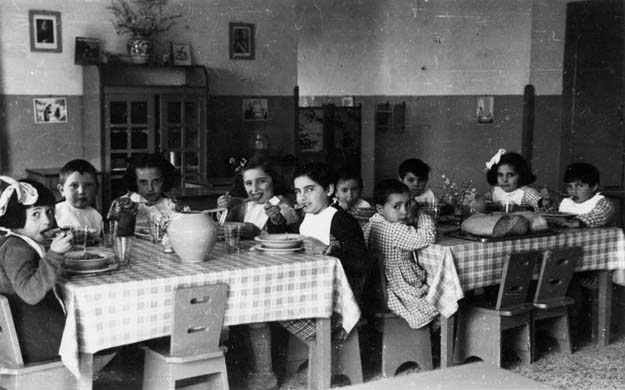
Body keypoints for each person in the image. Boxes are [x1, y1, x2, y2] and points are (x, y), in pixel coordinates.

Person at [0, 176, 73, 362]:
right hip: (38, 342)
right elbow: (30, 293)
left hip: (27, 335)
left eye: (50, 212)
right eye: (36, 214)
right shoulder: (17, 249)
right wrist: (55, 255)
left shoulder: (15, 242)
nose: (47, 221)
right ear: (16, 217)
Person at [363, 179, 439, 329]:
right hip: (398, 287)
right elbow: (427, 236)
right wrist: (423, 215)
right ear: (380, 208)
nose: (405, 211)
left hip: (377, 286)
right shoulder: (395, 230)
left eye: (408, 204)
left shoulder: (373, 223)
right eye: (397, 206)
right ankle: (436, 334)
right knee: (439, 299)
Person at [293, 163, 371, 300]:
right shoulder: (307, 216)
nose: (301, 198)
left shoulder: (340, 220)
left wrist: (327, 249)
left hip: (337, 293)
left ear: (329, 189)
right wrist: (278, 222)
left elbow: (361, 264)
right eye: (298, 191)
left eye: (309, 189)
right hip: (311, 284)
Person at [217, 154, 299, 237]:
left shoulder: (283, 206)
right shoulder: (243, 204)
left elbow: (286, 231)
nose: (254, 189)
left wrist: (276, 218)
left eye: (261, 181)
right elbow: (224, 224)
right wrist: (223, 208)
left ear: (274, 180)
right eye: (248, 183)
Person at [107, 154, 179, 234]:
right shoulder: (120, 204)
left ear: (164, 180)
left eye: (156, 181)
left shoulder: (171, 204)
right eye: (143, 182)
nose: (150, 188)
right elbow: (111, 237)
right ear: (134, 182)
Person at [557, 162, 614, 228]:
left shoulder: (602, 202)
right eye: (569, 186)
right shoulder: (566, 202)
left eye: (579, 186)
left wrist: (576, 222)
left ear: (594, 187)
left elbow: (599, 216)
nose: (573, 190)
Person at [55, 159, 102, 235]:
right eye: (74, 186)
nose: (81, 191)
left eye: (88, 185)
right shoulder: (56, 213)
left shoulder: (96, 216)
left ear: (96, 189)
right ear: (62, 190)